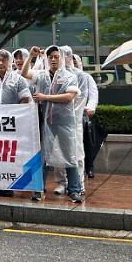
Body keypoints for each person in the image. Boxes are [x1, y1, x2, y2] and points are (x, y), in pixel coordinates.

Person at [21, 45, 82, 203]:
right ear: (47, 59)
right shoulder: (42, 76)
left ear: (61, 58)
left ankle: (74, 190)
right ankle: (38, 189)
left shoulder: (69, 76)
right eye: (50, 57)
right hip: (47, 123)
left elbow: (69, 97)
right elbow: (24, 73)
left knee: (70, 155)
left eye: (56, 57)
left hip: (65, 123)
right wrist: (31, 56)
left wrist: (45, 97)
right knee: (43, 157)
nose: (53, 59)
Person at [53, 46, 89, 195]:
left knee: (77, 154)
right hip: (58, 121)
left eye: (68, 55)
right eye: (63, 55)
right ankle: (61, 182)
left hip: (74, 121)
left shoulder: (81, 76)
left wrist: (73, 114)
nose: (65, 58)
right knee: (57, 152)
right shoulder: (55, 75)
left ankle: (79, 183)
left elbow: (83, 97)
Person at [74, 54, 100, 178]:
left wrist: (90, 107)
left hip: (82, 115)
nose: (73, 65)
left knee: (86, 142)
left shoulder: (86, 77)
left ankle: (89, 167)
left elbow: (93, 94)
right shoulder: (65, 77)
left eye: (75, 63)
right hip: (68, 115)